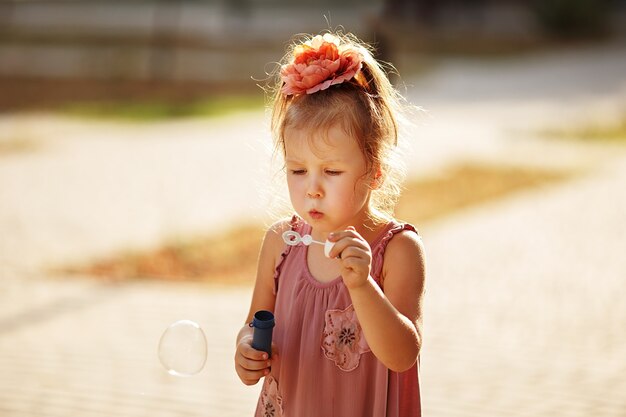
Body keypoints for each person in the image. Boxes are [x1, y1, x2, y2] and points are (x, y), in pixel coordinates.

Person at [234, 31, 426, 417]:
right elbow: (254, 325)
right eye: (298, 170)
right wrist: (246, 351)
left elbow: (403, 355)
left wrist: (361, 284)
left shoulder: (397, 250)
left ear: (375, 171)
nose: (313, 189)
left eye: (332, 171)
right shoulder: (280, 243)